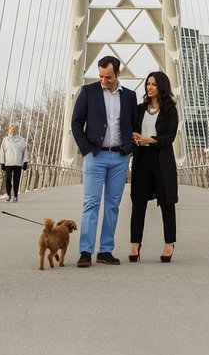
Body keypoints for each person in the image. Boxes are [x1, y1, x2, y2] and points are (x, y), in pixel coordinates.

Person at [70, 55, 136, 267]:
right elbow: (76, 123)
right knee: (91, 203)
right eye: (100, 76)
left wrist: (129, 149)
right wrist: (86, 150)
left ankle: (105, 250)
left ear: (118, 73)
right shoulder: (88, 92)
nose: (103, 81)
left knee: (112, 205)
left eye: (108, 77)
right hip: (95, 156)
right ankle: (86, 251)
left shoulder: (130, 97)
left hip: (120, 157)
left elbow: (135, 125)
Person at [129, 71, 179, 263]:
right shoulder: (140, 109)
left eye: (153, 84)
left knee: (167, 202)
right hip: (142, 159)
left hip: (162, 159)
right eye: (148, 84)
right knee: (138, 202)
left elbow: (171, 136)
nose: (149, 87)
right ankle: (135, 242)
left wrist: (150, 139)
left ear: (161, 87)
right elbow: (132, 128)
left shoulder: (170, 110)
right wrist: (135, 138)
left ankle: (169, 242)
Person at [0, 124, 28, 203]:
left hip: (18, 163)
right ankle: (8, 194)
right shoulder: (5, 140)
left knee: (16, 180)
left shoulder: (21, 140)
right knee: (8, 179)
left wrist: (25, 162)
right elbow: (2, 151)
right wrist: (2, 162)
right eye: (11, 129)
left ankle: (15, 195)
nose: (13, 131)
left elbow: (25, 152)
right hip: (8, 163)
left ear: (17, 130)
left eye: (14, 129)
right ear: (9, 130)